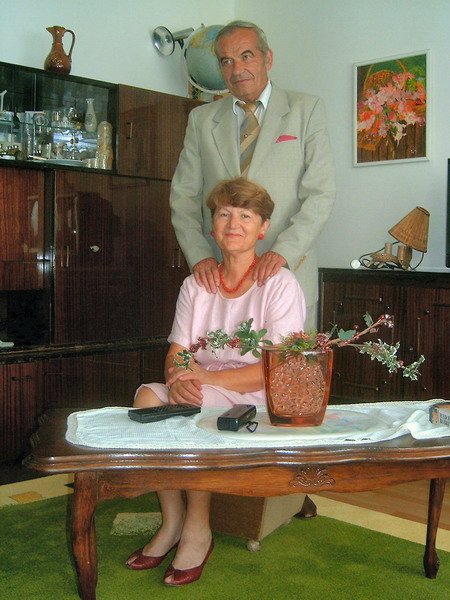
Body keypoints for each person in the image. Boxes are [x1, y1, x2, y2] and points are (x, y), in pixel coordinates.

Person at [126, 177, 306, 585]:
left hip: (254, 396)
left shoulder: (279, 284)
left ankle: (198, 527)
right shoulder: (195, 285)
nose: (233, 223)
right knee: (147, 399)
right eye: (224, 214)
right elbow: (179, 351)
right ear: (212, 226)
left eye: (246, 215)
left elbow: (279, 368)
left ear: (263, 228)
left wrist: (201, 378)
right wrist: (177, 377)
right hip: (200, 386)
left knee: (192, 402)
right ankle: (172, 521)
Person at [170, 20, 335, 332]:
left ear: (267, 58)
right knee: (218, 358)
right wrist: (200, 256)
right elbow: (183, 197)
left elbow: (321, 193)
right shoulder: (201, 120)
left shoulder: (306, 109)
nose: (237, 70)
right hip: (220, 280)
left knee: (287, 362)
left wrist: (283, 252)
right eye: (226, 61)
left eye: (246, 56)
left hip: (288, 272)